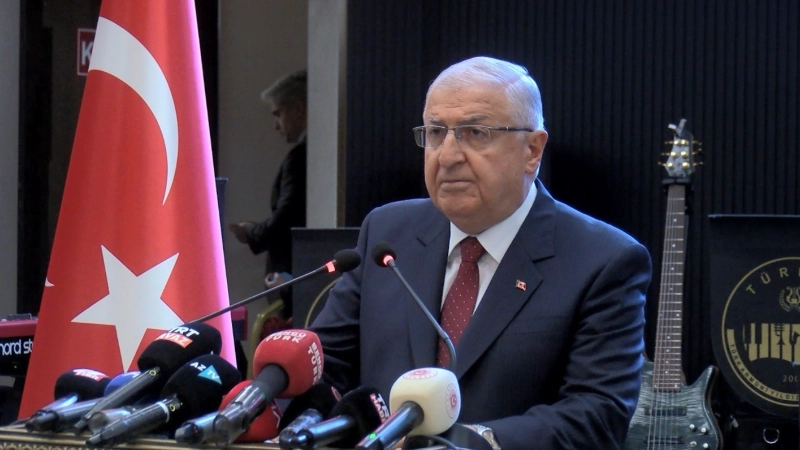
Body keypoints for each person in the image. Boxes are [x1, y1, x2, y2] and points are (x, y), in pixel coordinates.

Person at [309, 56, 652, 450]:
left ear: (532, 150)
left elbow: (597, 415)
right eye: (436, 132)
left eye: (475, 133)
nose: (448, 155)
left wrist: (470, 442)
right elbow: (325, 365)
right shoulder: (387, 235)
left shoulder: (603, 260)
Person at [229, 69, 308, 319]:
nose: (276, 125)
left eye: (278, 114)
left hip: (294, 282)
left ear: (299, 109)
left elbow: (287, 218)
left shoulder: (300, 158)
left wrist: (252, 232)